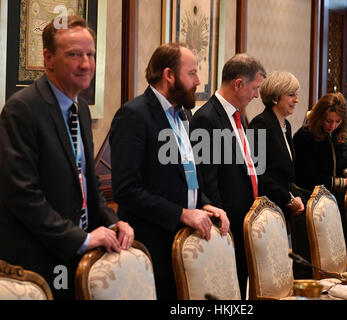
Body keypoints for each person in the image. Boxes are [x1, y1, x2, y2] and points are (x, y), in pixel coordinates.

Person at [0, 16, 134, 300]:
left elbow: (87, 181)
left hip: (79, 257)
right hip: (37, 264)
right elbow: (23, 195)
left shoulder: (81, 109)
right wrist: (81, 239)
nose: (86, 64)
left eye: (90, 54)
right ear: (48, 59)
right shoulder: (21, 110)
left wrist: (111, 222)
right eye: (74, 55)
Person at [109, 43, 229, 300]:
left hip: (186, 244)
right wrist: (182, 213)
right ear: (169, 76)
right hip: (153, 246)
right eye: (192, 73)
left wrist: (204, 204)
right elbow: (126, 190)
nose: (198, 81)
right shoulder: (134, 115)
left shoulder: (183, 113)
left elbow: (187, 174)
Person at [189, 53, 266, 298]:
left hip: (245, 217)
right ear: (238, 84)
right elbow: (207, 180)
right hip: (226, 222)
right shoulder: (207, 118)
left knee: (240, 286)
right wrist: (221, 225)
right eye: (255, 88)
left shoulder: (239, 113)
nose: (256, 95)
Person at [248, 71, 309, 278]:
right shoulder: (261, 124)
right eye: (291, 94)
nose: (296, 100)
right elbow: (259, 173)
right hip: (269, 206)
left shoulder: (286, 124)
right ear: (275, 97)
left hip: (284, 206)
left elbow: (288, 172)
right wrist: (288, 199)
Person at [293, 92, 347, 249]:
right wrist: (344, 181)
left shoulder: (336, 134)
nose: (332, 126)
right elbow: (307, 176)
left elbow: (336, 165)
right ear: (319, 117)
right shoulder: (304, 136)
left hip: (331, 200)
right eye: (328, 121)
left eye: (338, 122)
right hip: (308, 201)